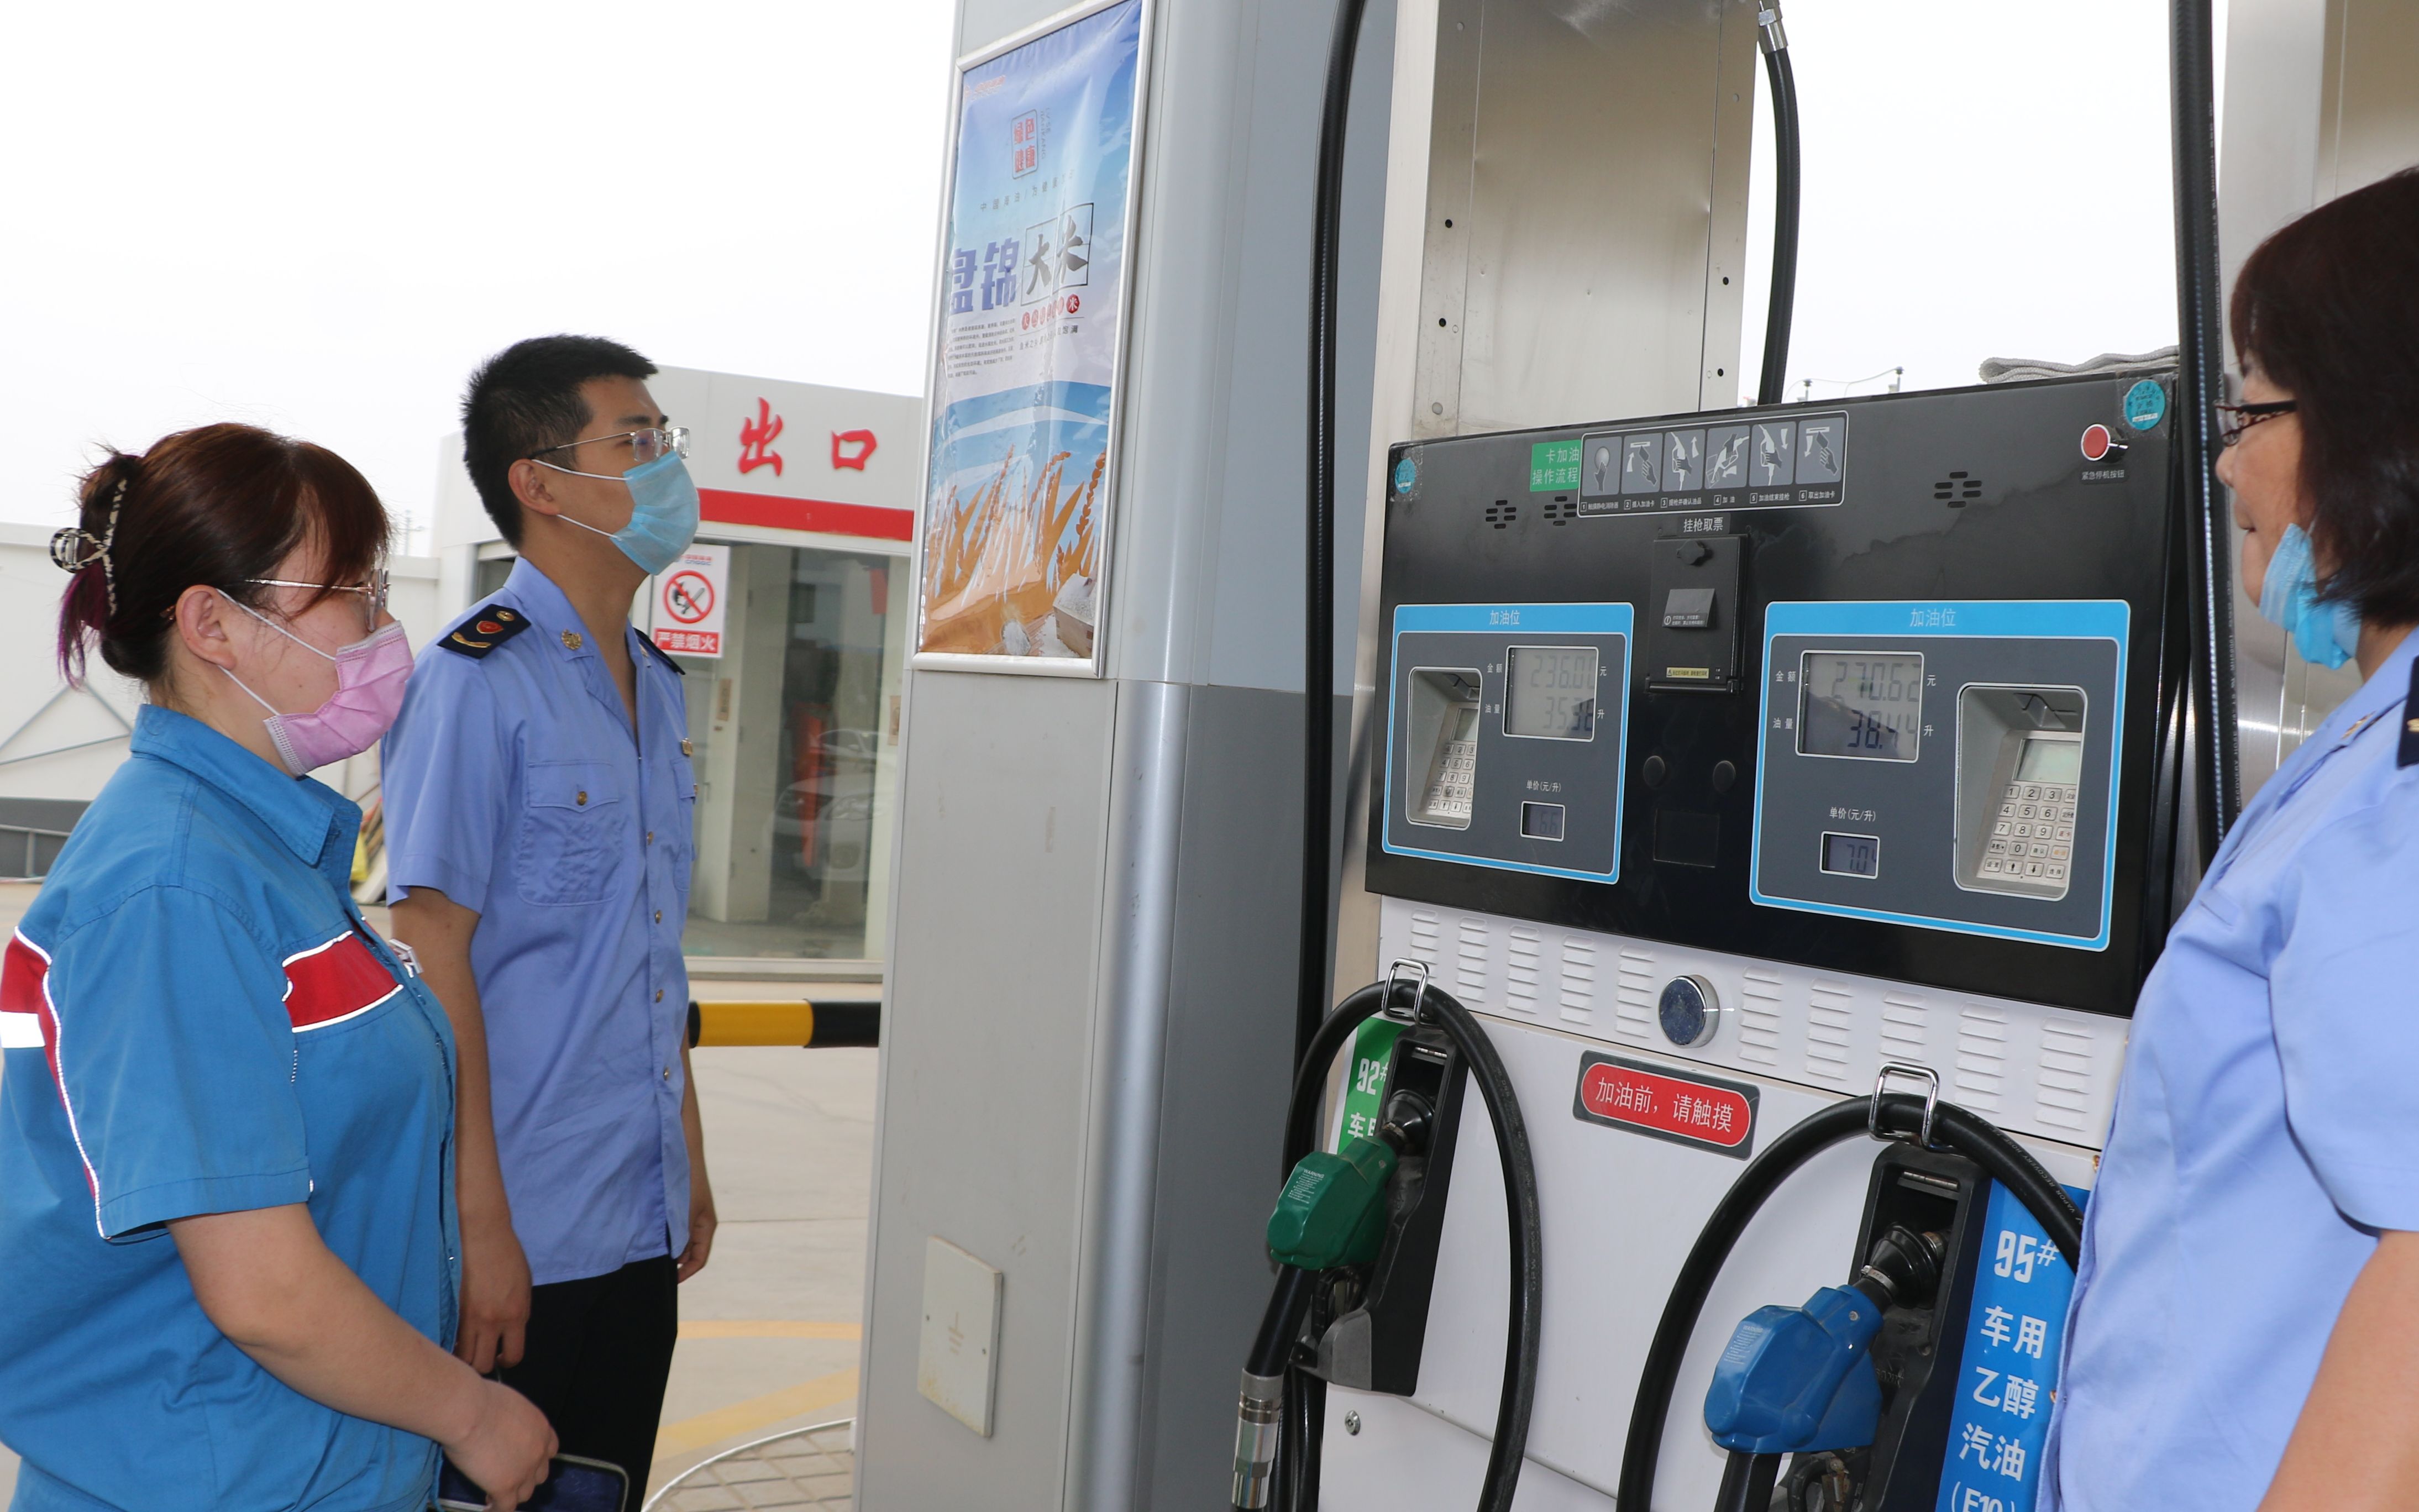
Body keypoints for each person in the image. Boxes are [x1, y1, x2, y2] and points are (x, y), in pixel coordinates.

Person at [0, 424, 556, 1510]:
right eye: (352, 593)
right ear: (214, 624)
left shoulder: (262, 849)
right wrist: (472, 1416)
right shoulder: (175, 886)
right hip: (216, 1476)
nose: (385, 628)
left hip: (303, 1461)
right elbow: (263, 1289)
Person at [2044, 167, 2419, 1511]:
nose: (2222, 461)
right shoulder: (2369, 739)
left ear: (2369, 426)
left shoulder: (2402, 789)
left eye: (2251, 410)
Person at [382, 336, 714, 1489]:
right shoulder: (474, 678)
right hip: (519, 1223)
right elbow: (433, 952)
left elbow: (649, 956)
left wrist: (688, 1156)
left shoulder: (657, 684)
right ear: (540, 483)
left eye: (666, 439)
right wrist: (480, 1227)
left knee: (603, 1487)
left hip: (637, 1213)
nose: (667, 466)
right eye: (637, 441)